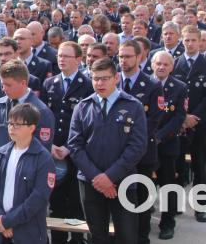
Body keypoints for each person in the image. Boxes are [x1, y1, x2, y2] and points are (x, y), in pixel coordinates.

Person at [67, 58, 147, 244]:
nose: (100, 83)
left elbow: (137, 146)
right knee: (97, 236)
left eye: (105, 78)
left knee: (126, 236)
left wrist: (110, 177)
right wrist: (97, 178)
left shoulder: (133, 106)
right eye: (96, 79)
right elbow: (75, 145)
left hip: (123, 182)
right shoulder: (83, 107)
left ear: (116, 78)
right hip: (90, 183)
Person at [0, 103, 56, 244]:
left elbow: (38, 198)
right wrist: (0, 218)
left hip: (27, 233)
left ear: (32, 128)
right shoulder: (1, 154)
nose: (11, 128)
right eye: (10, 123)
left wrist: (8, 221)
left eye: (17, 125)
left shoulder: (43, 158)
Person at [44, 41, 93, 244]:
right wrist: (51, 146)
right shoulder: (50, 84)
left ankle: (77, 239)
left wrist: (69, 148)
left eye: (66, 56)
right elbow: (46, 119)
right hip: (53, 152)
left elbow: (89, 124)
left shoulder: (87, 84)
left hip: (76, 153)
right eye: (60, 56)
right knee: (56, 202)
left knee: (75, 202)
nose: (61, 59)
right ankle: (58, 239)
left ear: (79, 60)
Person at [117, 40, 163, 244]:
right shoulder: (113, 82)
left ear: (139, 57)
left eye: (127, 56)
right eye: (120, 56)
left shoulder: (152, 85)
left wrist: (128, 144)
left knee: (142, 198)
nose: (123, 60)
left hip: (142, 153)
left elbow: (152, 120)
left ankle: (142, 236)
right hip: (115, 153)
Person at [172, 25, 206, 222]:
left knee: (199, 165)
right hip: (179, 124)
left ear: (200, 41)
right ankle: (174, 205)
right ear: (182, 41)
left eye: (193, 40)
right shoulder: (175, 63)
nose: (190, 44)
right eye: (186, 40)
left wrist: (193, 117)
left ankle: (200, 207)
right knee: (176, 165)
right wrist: (182, 117)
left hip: (199, 124)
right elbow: (170, 96)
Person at [150, 51, 187, 240]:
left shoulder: (179, 87)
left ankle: (167, 223)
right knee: (145, 184)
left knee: (167, 184)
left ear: (172, 67)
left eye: (166, 64)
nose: (162, 67)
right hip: (145, 144)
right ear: (152, 65)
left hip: (167, 143)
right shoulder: (145, 84)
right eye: (158, 63)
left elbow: (179, 117)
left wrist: (159, 136)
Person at [0, 59, 54, 155]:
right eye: (2, 85)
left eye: (8, 85)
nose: (4, 89)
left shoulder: (41, 111)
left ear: (23, 83)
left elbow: (42, 149)